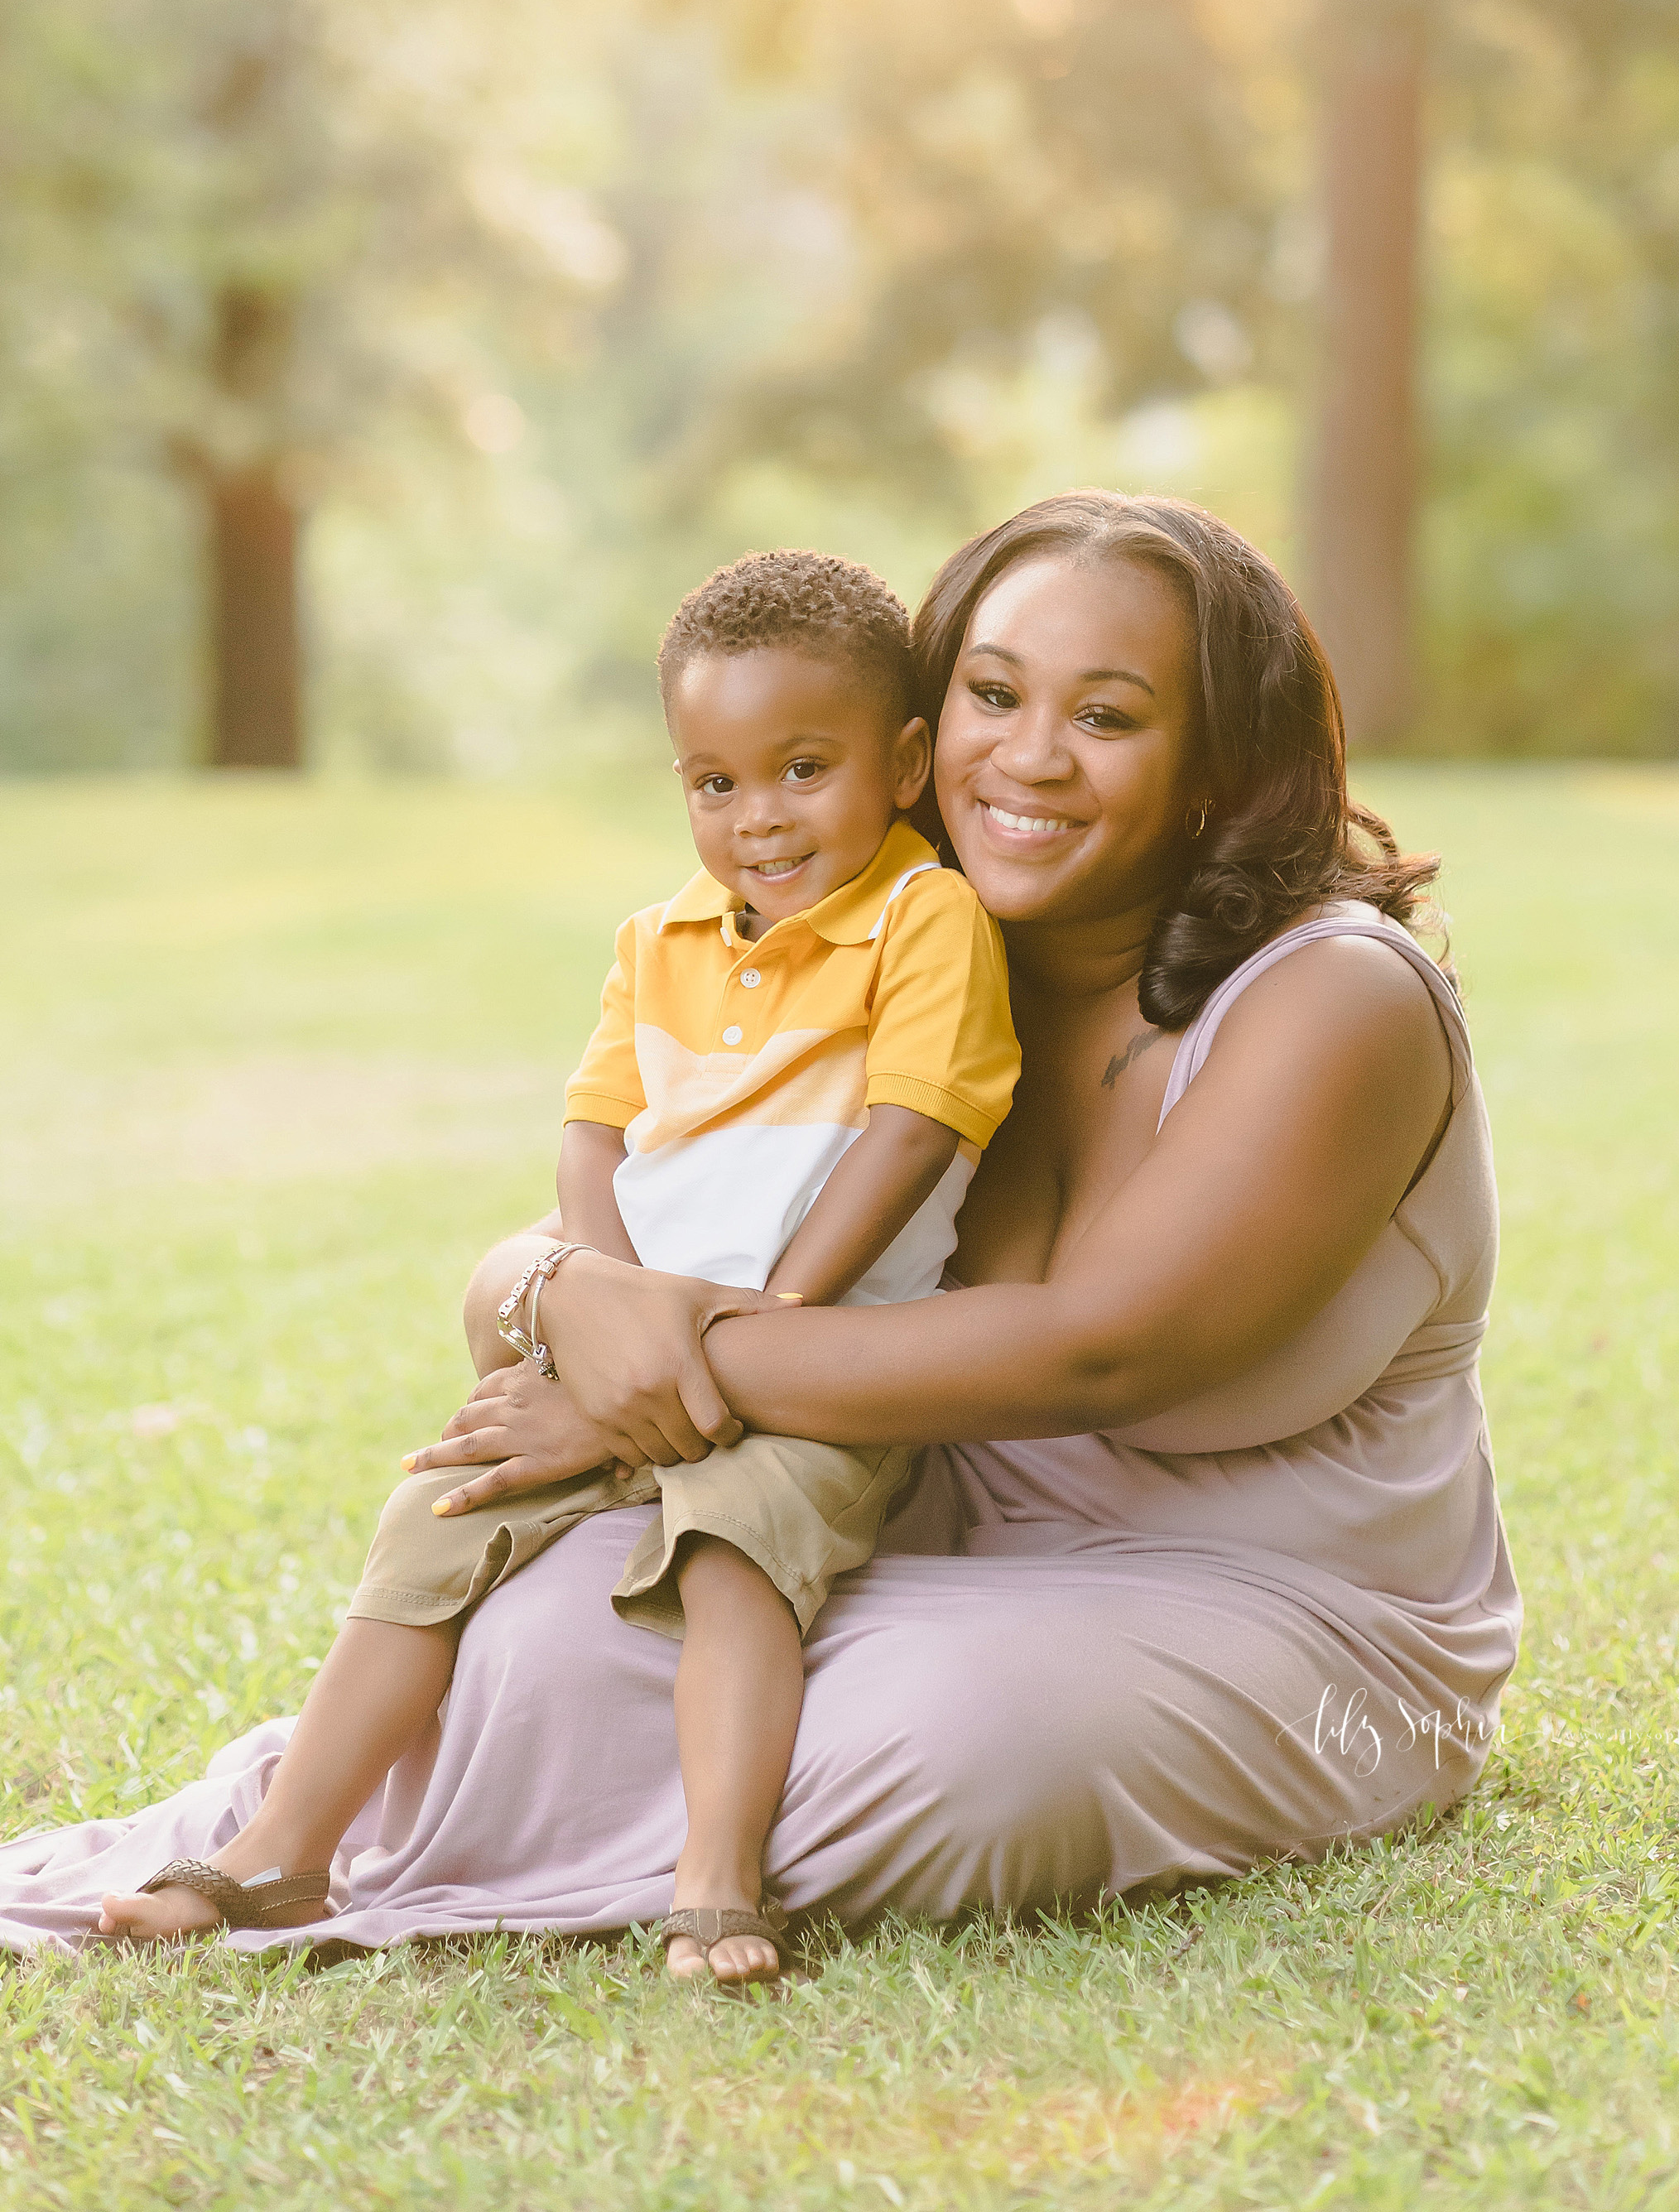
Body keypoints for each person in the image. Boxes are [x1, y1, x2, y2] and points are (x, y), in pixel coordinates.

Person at [0, 493, 1519, 1964]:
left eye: (1108, 716)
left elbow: (1100, 1349)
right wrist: (547, 1289)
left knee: (957, 1735)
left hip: (1324, 1643)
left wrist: (661, 1347)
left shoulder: (1333, 998)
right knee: (530, 1634)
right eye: (992, 693)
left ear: (1214, 764)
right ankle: (288, 1858)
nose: (1030, 757)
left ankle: (652, 1853)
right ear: (924, 732)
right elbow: (586, 1261)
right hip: (910, 1543)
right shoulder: (899, 950)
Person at [96, 551, 1018, 1988]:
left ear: (904, 764)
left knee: (733, 1556)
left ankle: (715, 1883)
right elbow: (595, 1134)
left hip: (822, 1358)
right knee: (435, 1516)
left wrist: (756, 1327)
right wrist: (605, 1314)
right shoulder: (657, 943)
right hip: (643, 1342)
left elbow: (908, 1134)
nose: (756, 816)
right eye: (713, 782)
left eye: (801, 767)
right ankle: (285, 1847)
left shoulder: (925, 920)